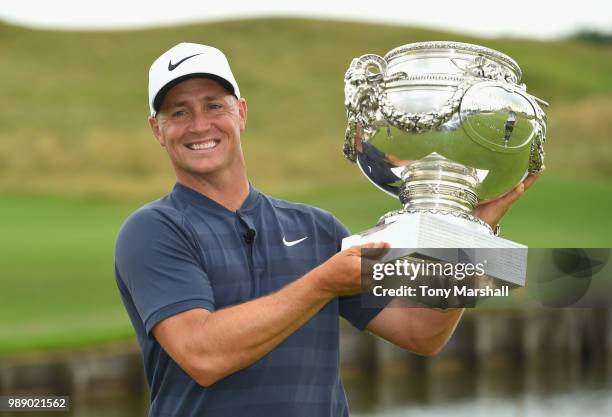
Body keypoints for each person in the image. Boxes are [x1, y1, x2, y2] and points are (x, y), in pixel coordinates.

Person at [114, 42, 537, 417]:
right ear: (158, 129)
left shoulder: (316, 229)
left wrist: (469, 236)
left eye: (213, 105)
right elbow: (202, 355)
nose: (200, 125)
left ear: (240, 113)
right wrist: (323, 283)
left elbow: (421, 334)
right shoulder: (153, 231)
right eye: (178, 112)